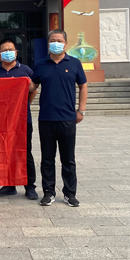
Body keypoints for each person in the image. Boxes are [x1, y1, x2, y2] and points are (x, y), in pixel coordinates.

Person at [29, 29, 87, 208]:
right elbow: (32, 86)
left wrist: (81, 110)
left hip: (67, 119)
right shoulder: (40, 64)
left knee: (68, 159)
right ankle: (48, 192)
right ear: (48, 44)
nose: (56, 43)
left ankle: (70, 193)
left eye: (59, 40)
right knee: (47, 158)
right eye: (53, 40)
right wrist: (19, 82)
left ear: (66, 44)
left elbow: (83, 86)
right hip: (46, 118)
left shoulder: (75, 63)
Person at [0, 39, 38, 200]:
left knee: (25, 153)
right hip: (2, 120)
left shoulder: (25, 70)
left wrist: (24, 105)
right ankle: (9, 185)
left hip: (23, 120)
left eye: (11, 49)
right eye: (4, 50)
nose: (8, 52)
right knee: (6, 153)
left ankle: (30, 186)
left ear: (16, 52)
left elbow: (33, 89)